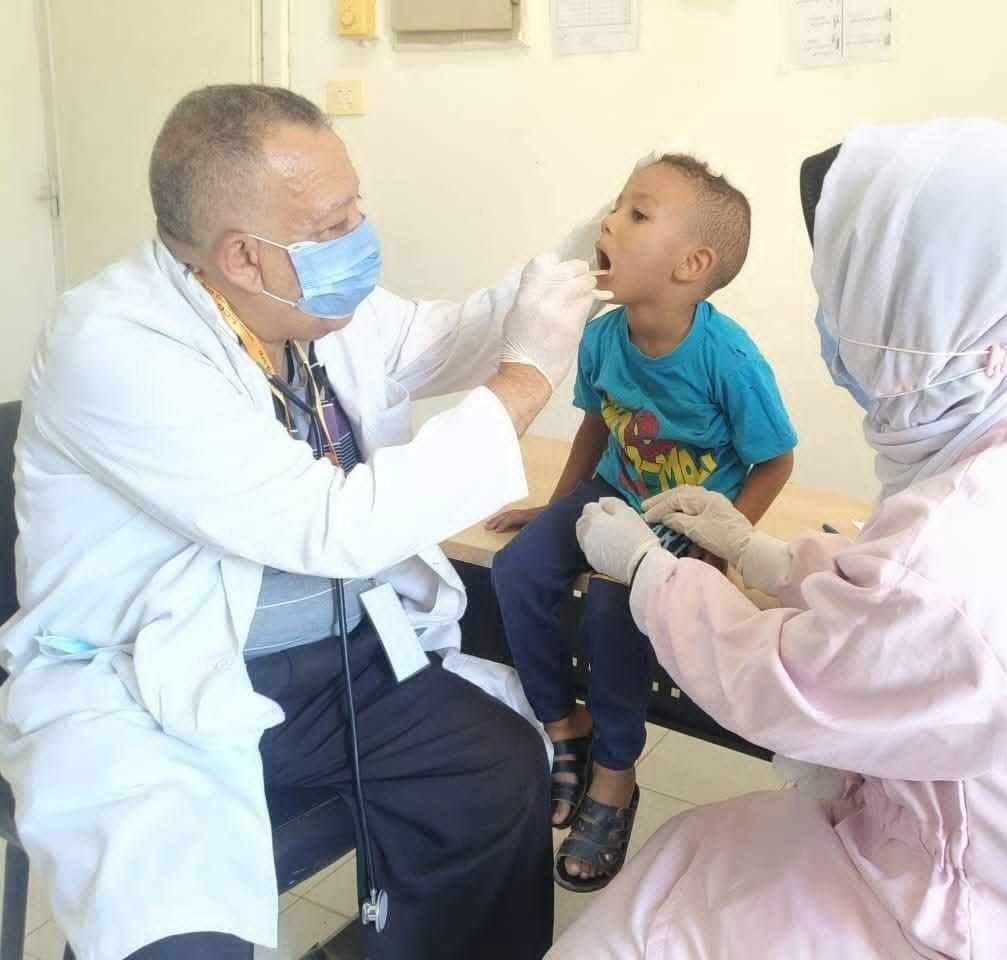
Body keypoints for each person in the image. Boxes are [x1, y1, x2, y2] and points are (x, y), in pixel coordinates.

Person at [564, 119, 1007, 958]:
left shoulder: (969, 546)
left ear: (913, 300)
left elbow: (796, 684)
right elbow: (907, 598)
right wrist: (771, 557)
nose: (826, 319)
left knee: (641, 921)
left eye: (836, 289)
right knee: (688, 860)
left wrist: (650, 571)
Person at [0, 84, 602, 960]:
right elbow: (331, 526)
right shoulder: (117, 343)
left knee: (498, 770)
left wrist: (571, 273)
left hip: (339, 659)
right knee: (180, 938)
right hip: (160, 682)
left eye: (357, 207)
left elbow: (436, 339)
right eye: (333, 224)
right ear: (243, 256)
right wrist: (527, 380)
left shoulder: (301, 302)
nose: (360, 235)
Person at [486, 154, 796, 891]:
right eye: (617, 206)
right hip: (610, 489)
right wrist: (556, 505)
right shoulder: (602, 336)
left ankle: (616, 773)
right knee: (516, 570)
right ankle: (565, 725)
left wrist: (726, 539)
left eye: (637, 214)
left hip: (681, 512)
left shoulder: (728, 359)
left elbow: (775, 460)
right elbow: (596, 425)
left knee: (616, 611)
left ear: (692, 265)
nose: (608, 223)